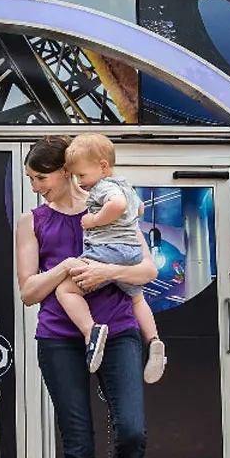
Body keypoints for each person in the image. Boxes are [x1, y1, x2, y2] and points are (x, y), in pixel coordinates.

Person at [16, 135, 158, 458]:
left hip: (118, 332)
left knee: (133, 435)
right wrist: (64, 267)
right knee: (79, 448)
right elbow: (27, 292)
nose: (36, 186)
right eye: (31, 180)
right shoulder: (31, 221)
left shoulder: (112, 203)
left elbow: (148, 270)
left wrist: (108, 271)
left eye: (41, 178)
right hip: (60, 338)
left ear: (65, 170)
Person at [51, 134, 167, 381]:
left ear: (103, 166)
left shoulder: (105, 187)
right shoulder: (124, 183)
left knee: (66, 291)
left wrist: (94, 220)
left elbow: (116, 204)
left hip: (106, 249)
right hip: (131, 250)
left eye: (81, 175)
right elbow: (139, 209)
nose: (80, 182)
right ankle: (154, 341)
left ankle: (91, 332)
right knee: (137, 299)